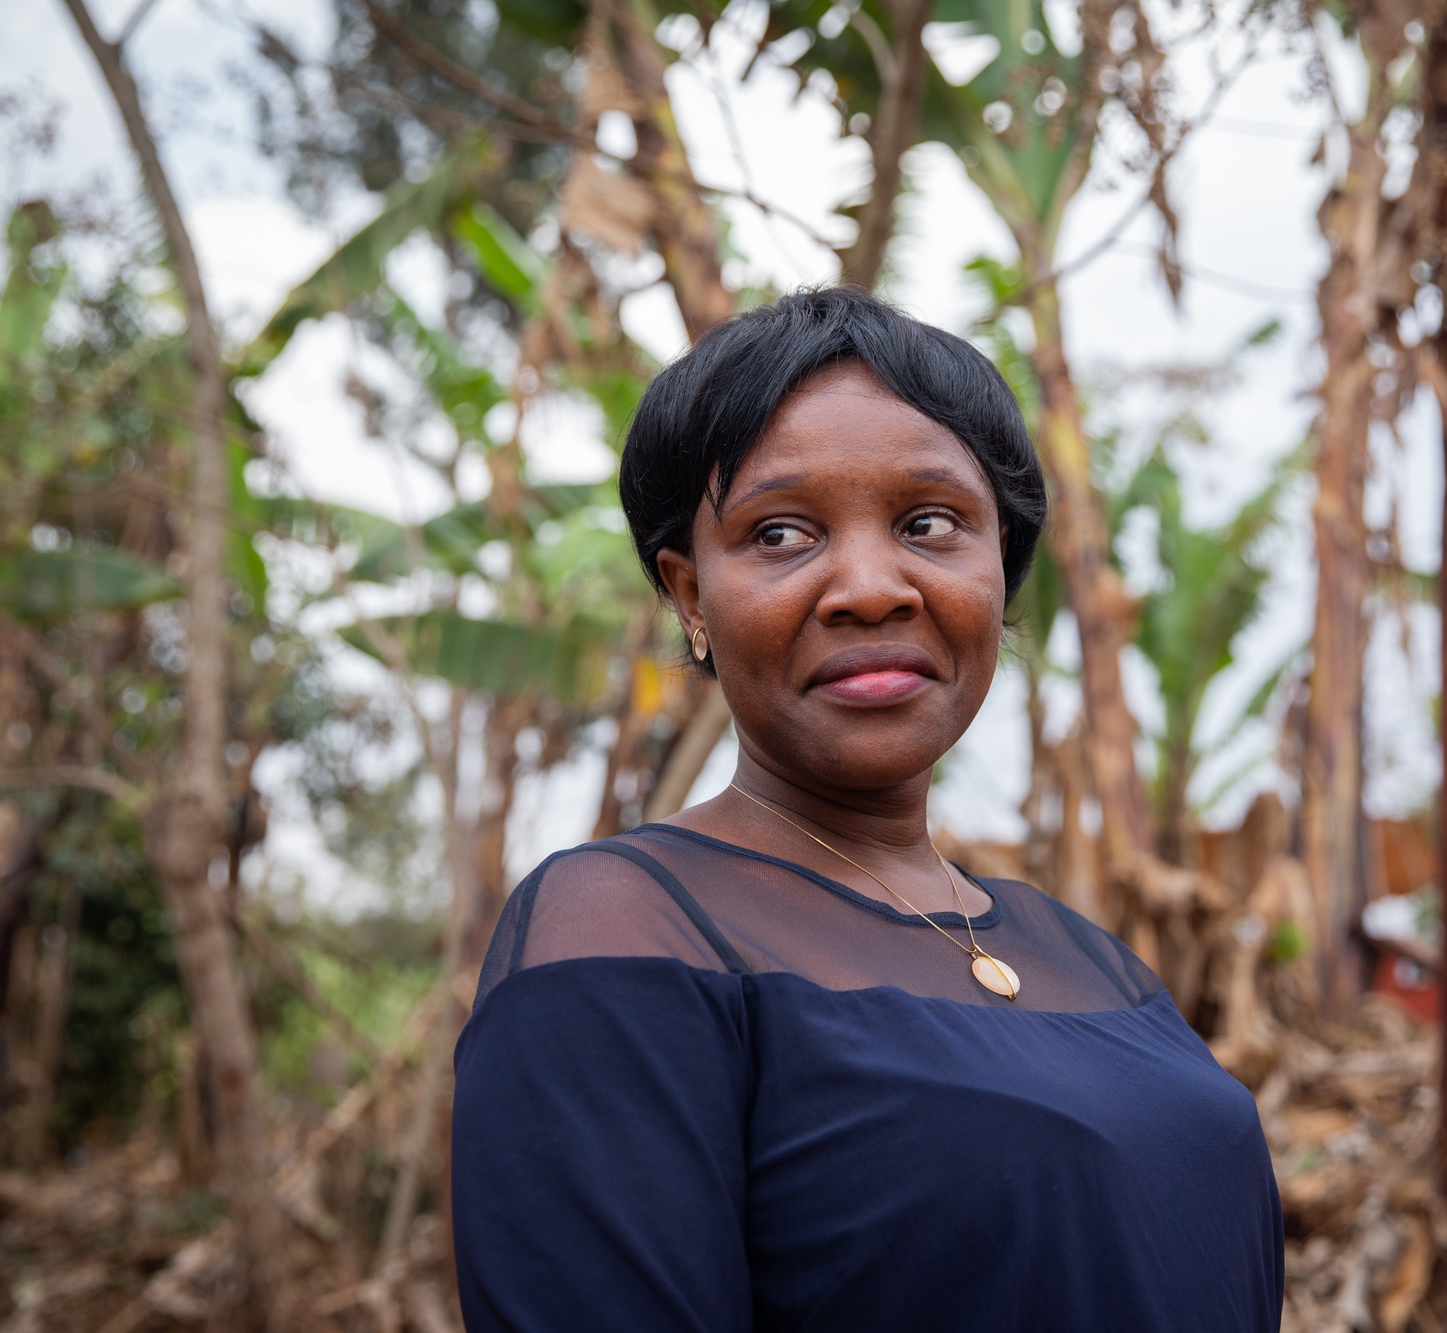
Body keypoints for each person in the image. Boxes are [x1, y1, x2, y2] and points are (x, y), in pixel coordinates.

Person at [452, 287, 1283, 1332]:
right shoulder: (623, 929)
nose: (870, 586)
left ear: (998, 567)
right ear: (689, 595)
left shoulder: (1087, 955)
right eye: (781, 533)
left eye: (928, 523)